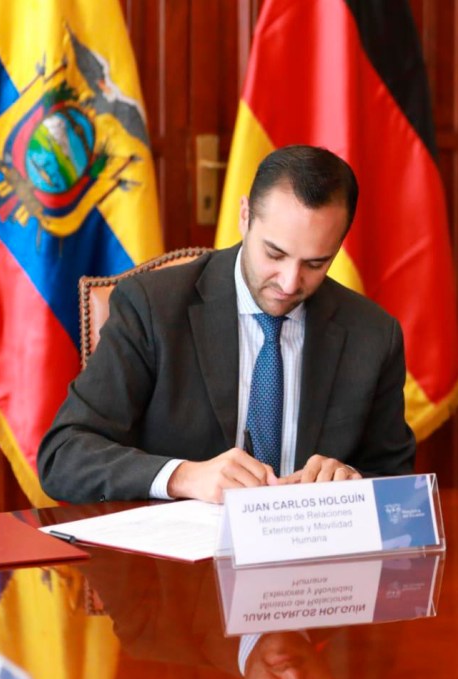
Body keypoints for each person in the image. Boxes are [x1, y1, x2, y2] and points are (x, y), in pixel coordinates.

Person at [39, 145, 415, 503]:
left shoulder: (372, 335)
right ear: (245, 216)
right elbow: (64, 454)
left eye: (315, 264)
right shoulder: (153, 307)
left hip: (310, 548)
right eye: (275, 253)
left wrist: (352, 483)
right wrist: (183, 476)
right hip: (178, 547)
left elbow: (398, 486)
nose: (289, 283)